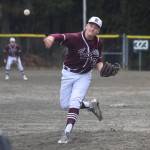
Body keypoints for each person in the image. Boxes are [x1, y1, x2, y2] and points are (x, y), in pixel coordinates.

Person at [43, 16, 119, 144]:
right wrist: (50, 38)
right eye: (91, 25)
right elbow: (60, 36)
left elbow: (98, 60)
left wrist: (102, 69)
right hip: (68, 74)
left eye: (96, 27)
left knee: (74, 102)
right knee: (64, 105)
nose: (92, 28)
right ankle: (90, 105)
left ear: (98, 31)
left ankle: (66, 133)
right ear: (86, 26)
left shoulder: (99, 42)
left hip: (84, 76)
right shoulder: (75, 38)